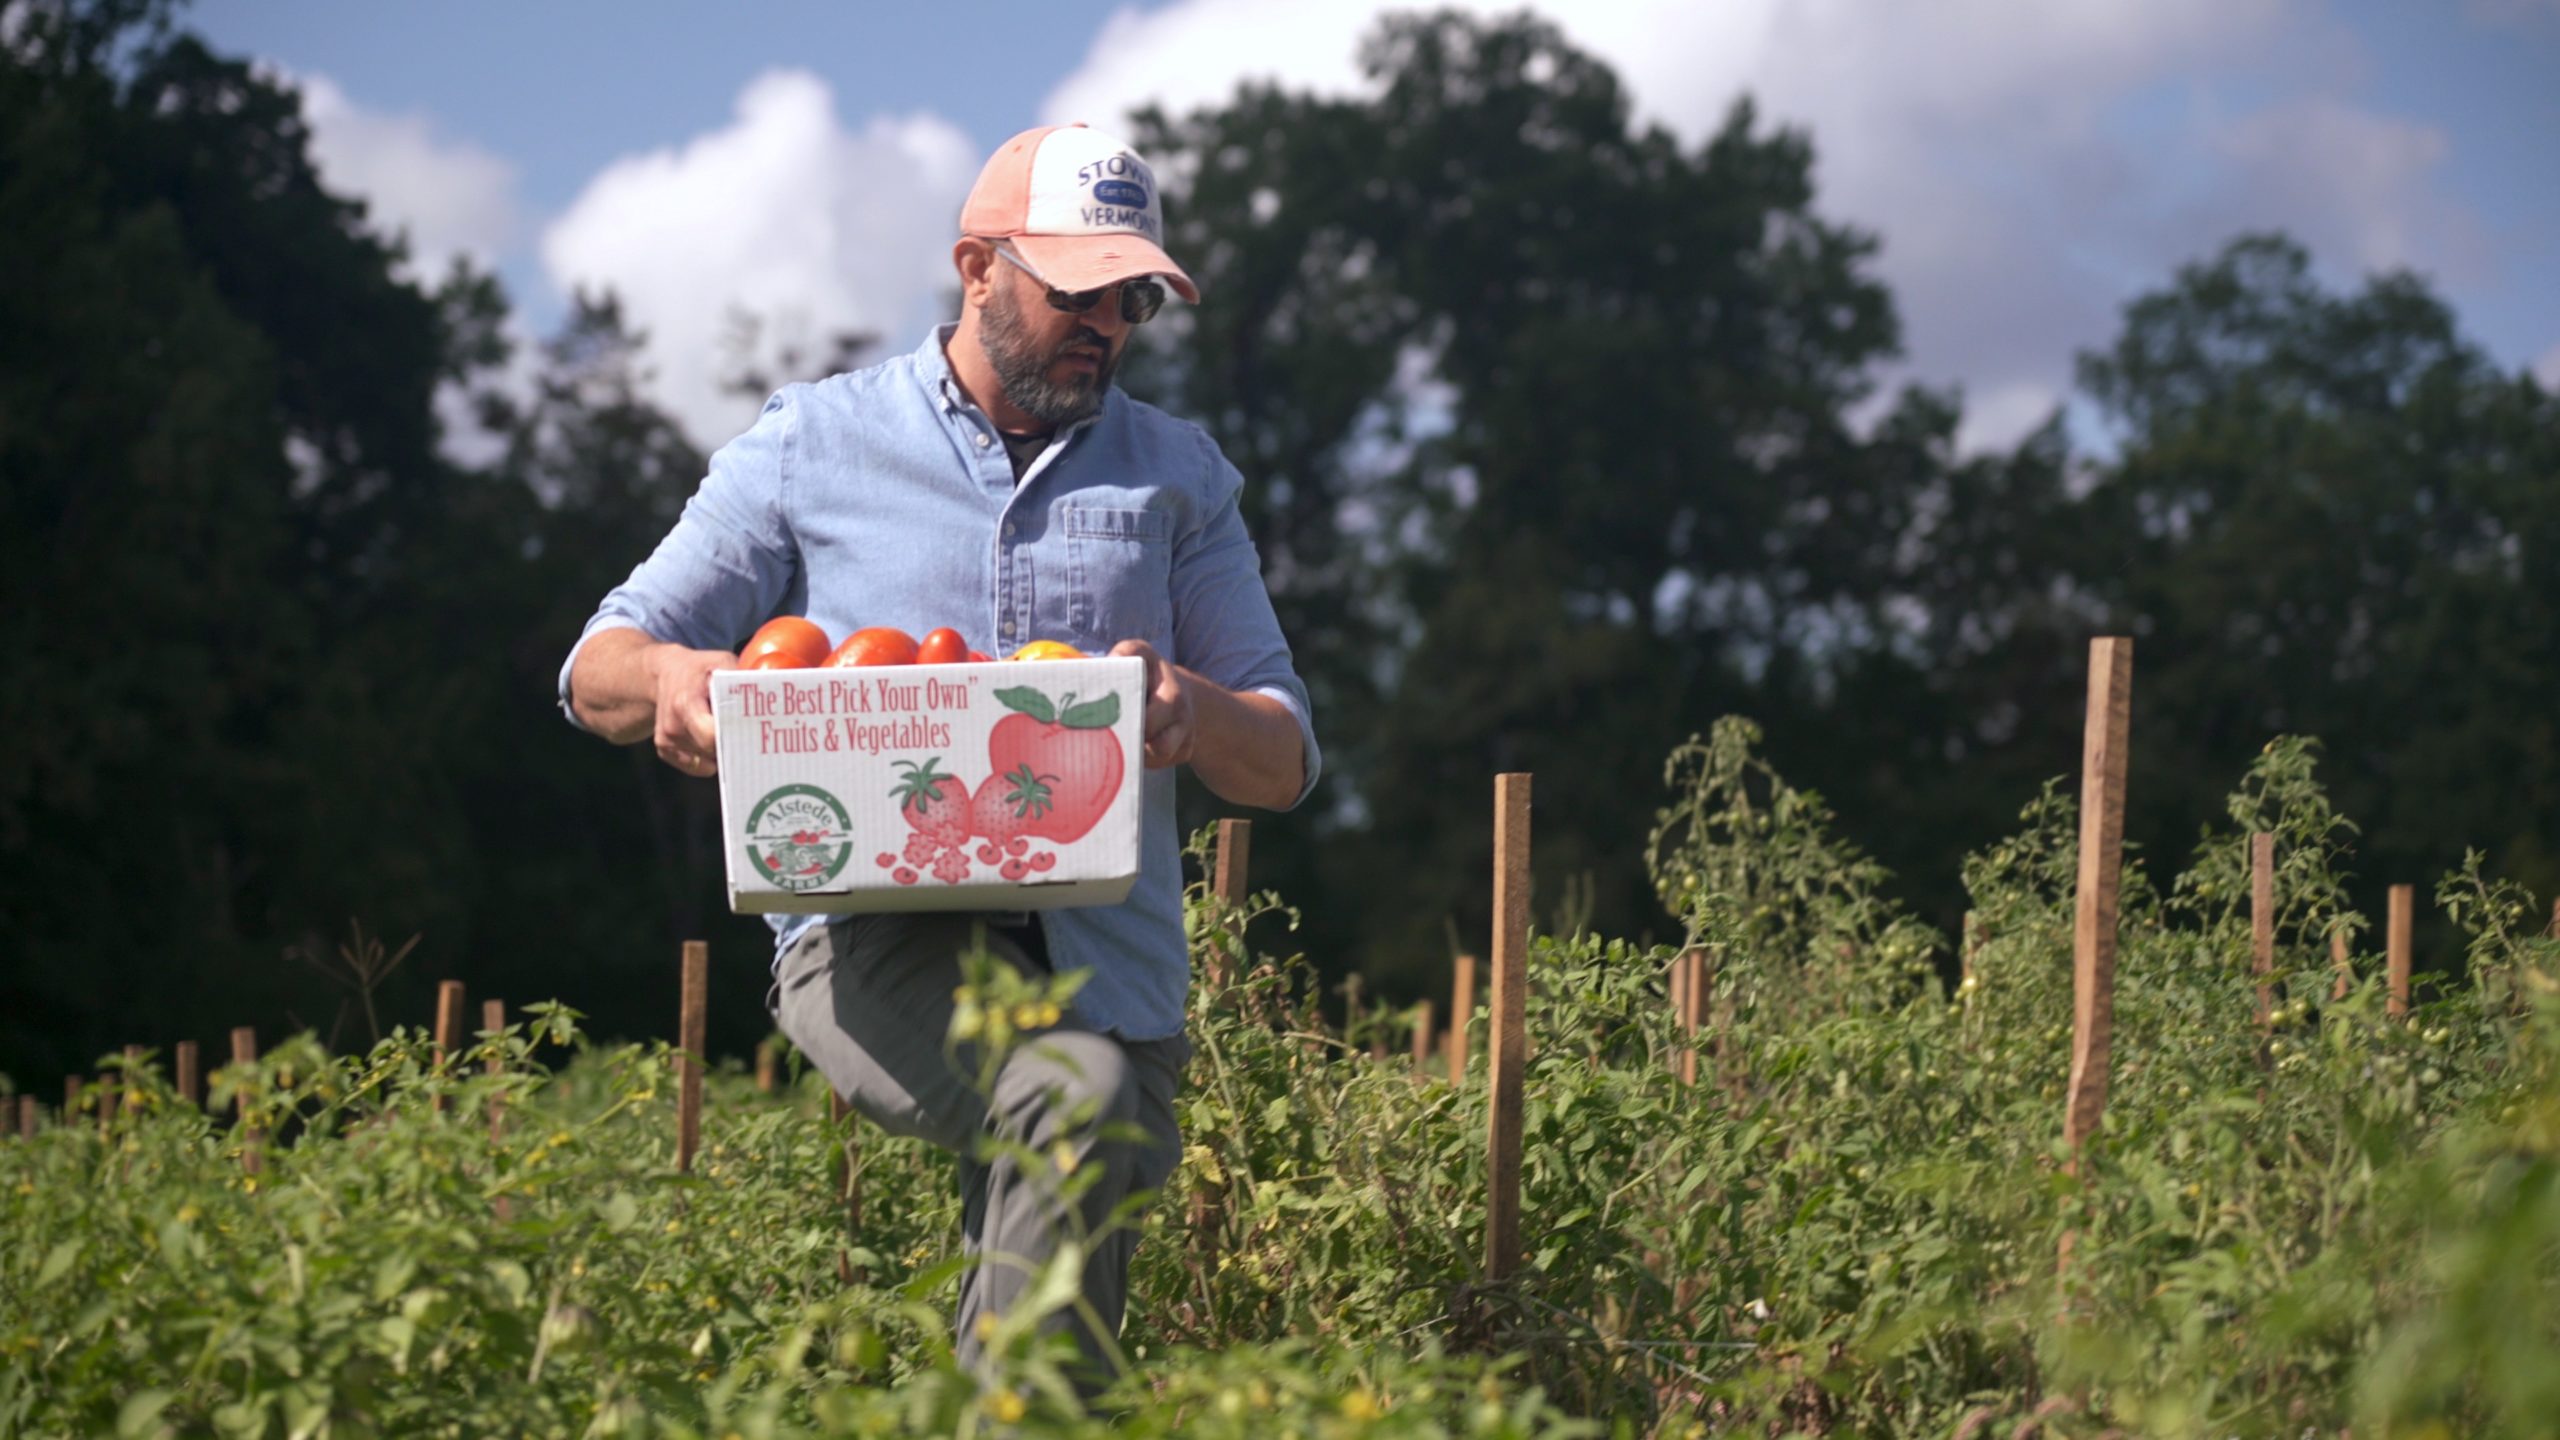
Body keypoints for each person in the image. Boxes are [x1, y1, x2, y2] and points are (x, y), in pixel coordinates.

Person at [554, 122, 1319, 1394]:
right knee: (1073, 1102)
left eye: (1131, 301)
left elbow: (1282, 753)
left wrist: (1192, 708)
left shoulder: (1180, 479)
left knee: (1063, 1333)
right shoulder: (814, 444)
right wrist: (676, 680)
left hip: (1110, 958)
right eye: (1077, 292)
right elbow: (599, 665)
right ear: (977, 268)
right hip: (873, 934)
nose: (1106, 326)